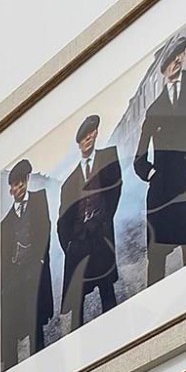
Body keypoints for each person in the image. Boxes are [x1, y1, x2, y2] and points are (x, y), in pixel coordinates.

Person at [137, 39, 186, 284]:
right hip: (162, 192)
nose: (177, 60)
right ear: (164, 68)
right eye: (171, 58)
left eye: (180, 54)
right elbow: (139, 159)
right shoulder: (154, 109)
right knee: (157, 254)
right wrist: (152, 175)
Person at [57, 113, 124, 327]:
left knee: (107, 290)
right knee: (78, 298)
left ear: (95, 134)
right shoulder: (69, 183)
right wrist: (70, 246)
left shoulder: (108, 159)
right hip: (79, 244)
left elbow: (115, 189)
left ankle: (115, 331)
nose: (87, 140)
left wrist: (104, 220)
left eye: (90, 135)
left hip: (100, 239)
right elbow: (62, 222)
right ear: (78, 144)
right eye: (82, 138)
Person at [0, 156, 55, 364]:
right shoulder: (5, 224)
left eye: (22, 182)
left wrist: (40, 262)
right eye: (15, 184)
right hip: (15, 282)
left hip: (35, 275)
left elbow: (46, 229)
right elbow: (4, 258)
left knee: (36, 323)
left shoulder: (39, 200)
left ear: (27, 181)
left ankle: (40, 362)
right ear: (10, 190)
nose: (19, 187)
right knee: (13, 328)